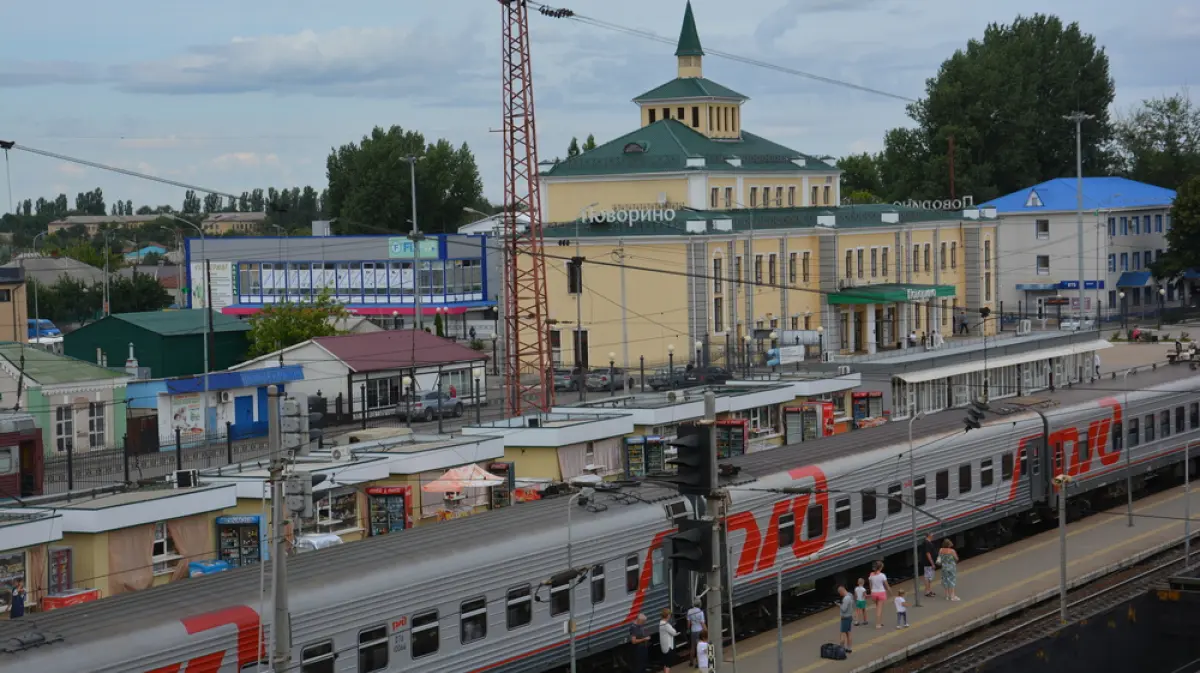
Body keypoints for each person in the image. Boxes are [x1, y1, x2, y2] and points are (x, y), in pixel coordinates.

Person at [868, 561, 890, 629]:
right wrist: (891, 593)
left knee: (877, 607)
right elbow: (887, 586)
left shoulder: (871, 575)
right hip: (881, 593)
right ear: (880, 568)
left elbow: (870, 585)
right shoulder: (882, 575)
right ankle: (878, 624)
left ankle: (880, 622)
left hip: (874, 593)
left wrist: (872, 592)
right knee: (879, 609)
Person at [657, 608, 678, 672]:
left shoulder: (661, 622)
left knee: (665, 664)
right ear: (668, 615)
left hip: (664, 647)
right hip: (668, 647)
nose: (670, 616)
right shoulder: (666, 625)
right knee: (668, 664)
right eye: (670, 615)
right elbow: (674, 632)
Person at [686, 600, 706, 666]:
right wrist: (706, 630)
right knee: (699, 647)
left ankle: (691, 662)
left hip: (693, 631)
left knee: (692, 647)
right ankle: (698, 663)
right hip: (699, 631)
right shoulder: (700, 612)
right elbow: (702, 623)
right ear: (700, 604)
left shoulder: (689, 611)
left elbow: (688, 623)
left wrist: (688, 629)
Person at [837, 585, 854, 653]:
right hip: (849, 616)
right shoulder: (850, 595)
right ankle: (849, 648)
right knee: (848, 633)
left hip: (845, 618)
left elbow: (844, 609)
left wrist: (839, 605)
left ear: (842, 591)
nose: (840, 595)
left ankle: (842, 648)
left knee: (842, 633)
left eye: (840, 593)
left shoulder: (846, 598)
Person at [922, 531, 938, 597]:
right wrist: (932, 563)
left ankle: (929, 590)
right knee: (928, 577)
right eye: (932, 534)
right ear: (929, 535)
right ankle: (927, 591)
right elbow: (928, 553)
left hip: (928, 563)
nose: (933, 535)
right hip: (928, 563)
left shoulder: (926, 542)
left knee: (929, 577)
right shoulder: (927, 543)